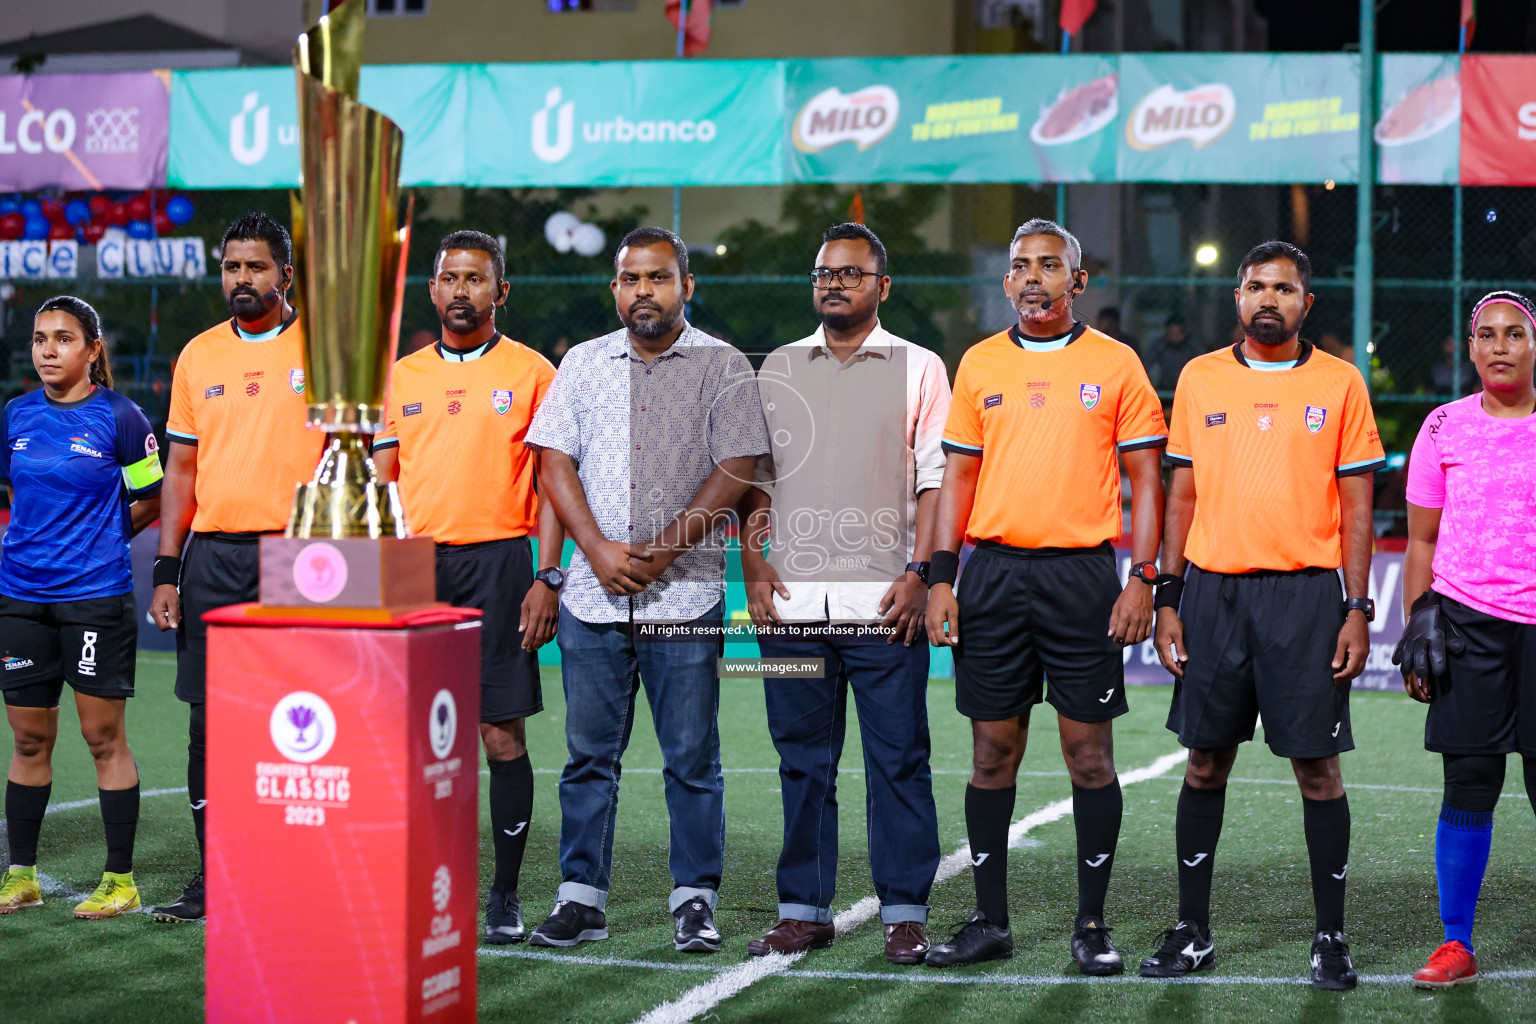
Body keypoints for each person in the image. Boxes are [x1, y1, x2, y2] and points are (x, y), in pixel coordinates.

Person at [924, 219, 1168, 973]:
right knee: (991, 752)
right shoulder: (979, 364)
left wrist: (1144, 578)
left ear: (1078, 281)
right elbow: (956, 481)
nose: (1034, 278)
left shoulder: (1118, 365)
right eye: (1021, 267)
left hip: (1082, 579)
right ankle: (988, 919)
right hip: (991, 576)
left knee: (1088, 755)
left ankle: (1090, 926)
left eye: (1049, 266)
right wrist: (939, 575)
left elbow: (1148, 484)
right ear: (1006, 284)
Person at [1144, 240, 1384, 989]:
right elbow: (1180, 496)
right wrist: (1168, 597)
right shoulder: (1200, 377)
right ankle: (1192, 932)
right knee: (1206, 761)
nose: (1268, 298)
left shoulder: (1340, 383)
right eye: (1255, 286)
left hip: (1308, 600)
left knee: (1317, 769)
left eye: (1283, 288)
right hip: (1213, 595)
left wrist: (1355, 608)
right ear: (1237, 298)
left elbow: (1356, 509)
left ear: (1306, 303)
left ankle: (1331, 937)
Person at [524, 227, 769, 952]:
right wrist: (594, 550)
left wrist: (662, 551)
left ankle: (694, 900)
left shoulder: (723, 365)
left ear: (686, 286)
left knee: (691, 759)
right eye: (631, 280)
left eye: (658, 278)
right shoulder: (582, 362)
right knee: (587, 757)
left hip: (684, 598)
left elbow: (738, 467)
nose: (643, 292)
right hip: (592, 598)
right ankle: (581, 899)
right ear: (615, 290)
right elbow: (553, 464)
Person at [738, 223, 949, 965]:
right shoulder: (777, 369)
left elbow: (936, 483)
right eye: (824, 273)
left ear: (882, 287)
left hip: (885, 613)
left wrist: (921, 575)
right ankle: (804, 911)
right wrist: (754, 568)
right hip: (790, 615)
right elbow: (754, 484)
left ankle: (904, 912)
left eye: (851, 274)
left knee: (898, 761)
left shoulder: (921, 368)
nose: (833, 283)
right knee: (802, 763)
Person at [372, 231, 564, 945]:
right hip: (415, 568)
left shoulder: (536, 371)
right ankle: (421, 881)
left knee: (496, 732)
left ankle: (505, 893)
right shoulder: (401, 376)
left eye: (475, 279)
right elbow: (382, 484)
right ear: (432, 289)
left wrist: (547, 575)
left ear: (500, 291)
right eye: (449, 278)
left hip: (499, 565)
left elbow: (553, 490)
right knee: (412, 740)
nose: (461, 290)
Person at [147, 212, 322, 923]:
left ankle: (300, 868)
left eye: (255, 267)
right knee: (210, 726)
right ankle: (215, 871)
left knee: (303, 721)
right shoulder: (197, 356)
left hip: (301, 555)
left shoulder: (327, 348)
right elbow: (181, 471)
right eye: (231, 267)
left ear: (285, 274)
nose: (241, 279)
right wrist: (166, 568)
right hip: (213, 556)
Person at [0, 297, 162, 919]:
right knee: (28, 738)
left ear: (92, 350)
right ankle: (21, 875)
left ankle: (120, 880)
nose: (47, 350)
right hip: (20, 599)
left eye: (63, 339)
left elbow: (150, 496)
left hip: (94, 598)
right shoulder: (14, 416)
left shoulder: (120, 417)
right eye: (41, 339)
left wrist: (98, 537)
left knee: (101, 739)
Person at [1396, 291, 1536, 990]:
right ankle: (1456, 943)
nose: (1500, 346)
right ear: (1471, 346)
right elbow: (1421, 538)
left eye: (1515, 334)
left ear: (1534, 345)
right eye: (1487, 335)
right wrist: (1418, 617)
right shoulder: (1443, 426)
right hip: (1468, 625)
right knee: (1470, 783)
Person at [1143, 315, 1198, 392]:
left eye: (1179, 332)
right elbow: (1145, 365)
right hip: (1165, 388)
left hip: (1188, 388)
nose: (1176, 336)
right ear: (1167, 332)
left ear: (1185, 332)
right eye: (1172, 333)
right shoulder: (1160, 344)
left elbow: (1202, 366)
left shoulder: (1192, 345)